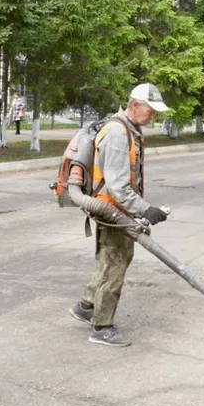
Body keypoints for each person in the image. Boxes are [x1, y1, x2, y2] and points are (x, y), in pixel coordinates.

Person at [69, 83, 170, 347]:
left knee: (110, 260)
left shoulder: (129, 129)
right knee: (114, 267)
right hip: (113, 210)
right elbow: (117, 185)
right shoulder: (117, 132)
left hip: (117, 209)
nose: (153, 116)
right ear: (135, 104)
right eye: (150, 110)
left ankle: (85, 306)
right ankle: (102, 328)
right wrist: (144, 209)